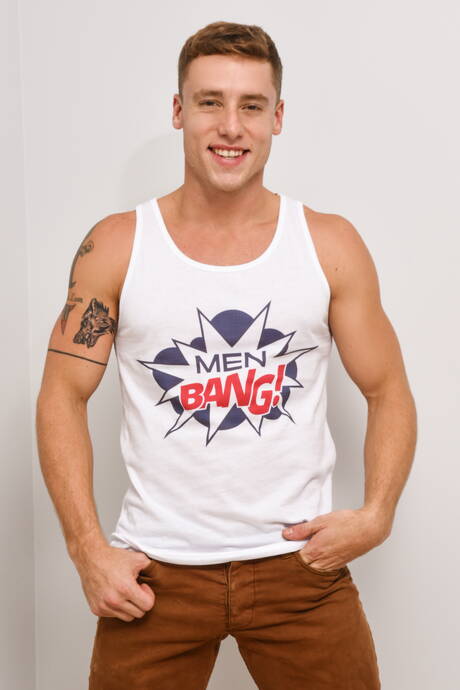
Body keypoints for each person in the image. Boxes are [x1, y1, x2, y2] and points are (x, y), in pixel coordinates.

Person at [36, 20, 417, 690]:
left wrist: (377, 514)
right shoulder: (118, 245)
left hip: (300, 569)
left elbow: (388, 390)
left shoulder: (328, 244)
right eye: (210, 102)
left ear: (278, 118)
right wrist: (87, 549)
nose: (231, 127)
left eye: (251, 105)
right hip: (156, 575)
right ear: (179, 110)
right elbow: (61, 395)